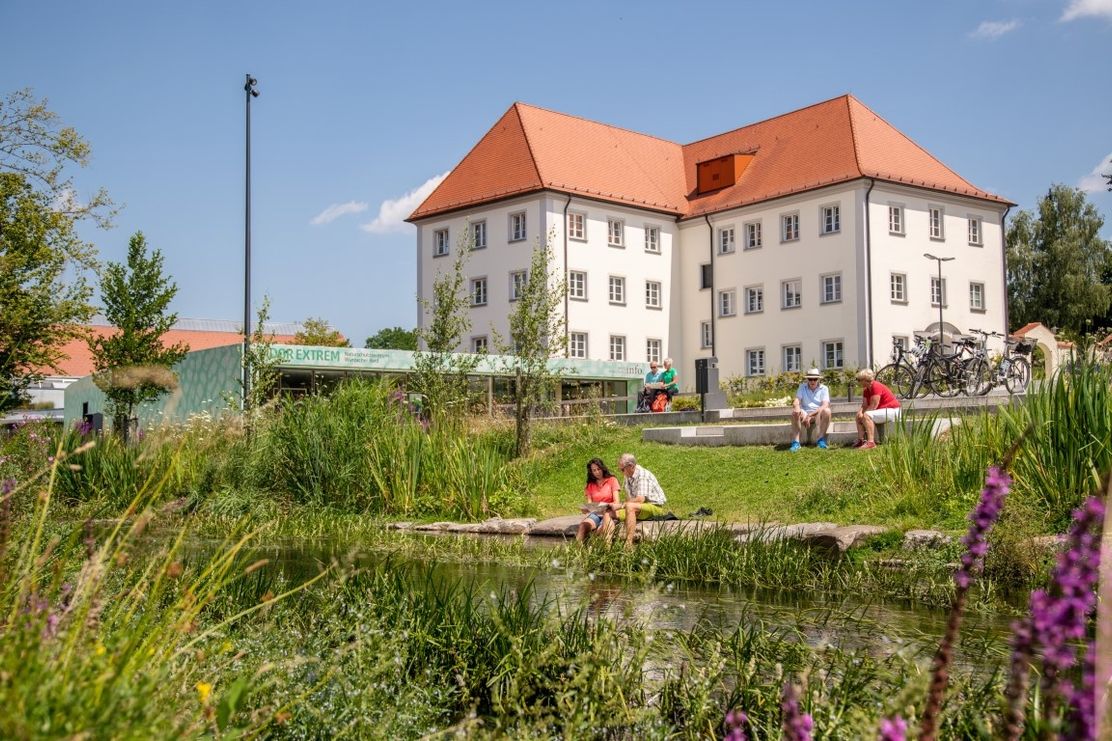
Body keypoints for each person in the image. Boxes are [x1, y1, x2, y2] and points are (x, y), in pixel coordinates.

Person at [613, 453, 667, 546]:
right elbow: (631, 499)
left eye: (622, 469)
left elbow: (640, 499)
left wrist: (622, 505)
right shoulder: (628, 476)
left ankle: (628, 543)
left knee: (629, 507)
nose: (621, 472)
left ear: (631, 466)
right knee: (610, 512)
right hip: (639, 507)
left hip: (654, 506)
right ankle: (604, 543)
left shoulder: (643, 475)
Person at [576, 458, 622, 543]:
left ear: (602, 468)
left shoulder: (612, 480)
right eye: (594, 470)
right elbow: (589, 503)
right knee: (583, 526)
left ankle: (594, 546)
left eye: (598, 469)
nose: (597, 472)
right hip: (595, 513)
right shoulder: (590, 484)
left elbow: (617, 501)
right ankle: (576, 551)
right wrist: (585, 509)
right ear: (591, 472)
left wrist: (607, 505)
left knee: (602, 529)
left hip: (609, 512)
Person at [854, 368, 901, 449]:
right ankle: (861, 440)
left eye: (860, 380)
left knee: (867, 415)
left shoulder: (876, 386)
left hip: (893, 411)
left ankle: (871, 442)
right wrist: (860, 412)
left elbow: (873, 405)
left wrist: (864, 415)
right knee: (859, 416)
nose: (859, 382)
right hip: (883, 411)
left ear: (865, 380)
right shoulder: (866, 390)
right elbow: (864, 405)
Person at [790, 368, 832, 451]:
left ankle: (820, 440)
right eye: (810, 379)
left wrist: (811, 415)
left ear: (818, 379)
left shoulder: (824, 388)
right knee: (795, 412)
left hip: (817, 413)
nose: (812, 381)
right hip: (804, 412)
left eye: (815, 379)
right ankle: (796, 442)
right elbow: (796, 401)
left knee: (827, 411)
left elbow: (825, 405)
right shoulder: (802, 387)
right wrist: (797, 408)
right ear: (807, 379)